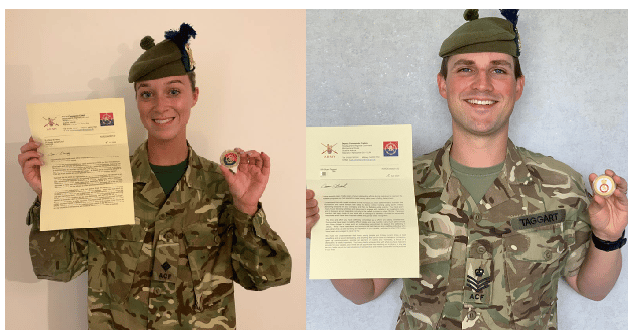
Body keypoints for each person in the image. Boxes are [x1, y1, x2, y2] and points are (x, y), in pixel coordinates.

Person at [306, 10, 627, 330]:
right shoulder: (399, 182)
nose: (482, 84)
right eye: (466, 69)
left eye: (498, 70)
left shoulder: (562, 187)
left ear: (518, 86)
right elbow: (365, 292)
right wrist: (328, 235)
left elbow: (592, 289)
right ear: (443, 85)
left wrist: (607, 238)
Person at [18, 23, 291, 330]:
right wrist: (49, 197)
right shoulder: (104, 178)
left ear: (194, 96)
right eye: (147, 93)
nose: (161, 106)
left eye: (173, 91)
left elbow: (269, 276)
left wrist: (246, 208)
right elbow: (58, 269)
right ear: (137, 101)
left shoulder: (222, 185)